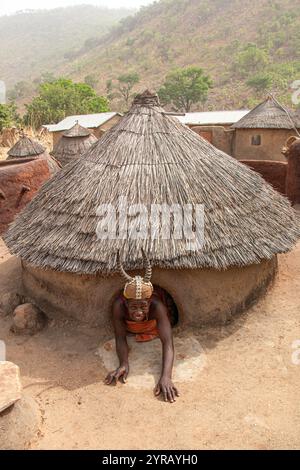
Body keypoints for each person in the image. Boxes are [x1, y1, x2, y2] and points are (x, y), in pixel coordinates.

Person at [105, 251, 179, 403]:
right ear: (125, 303)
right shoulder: (119, 306)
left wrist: (166, 377)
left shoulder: (157, 307)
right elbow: (120, 337)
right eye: (133, 307)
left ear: (150, 302)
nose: (138, 312)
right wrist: (123, 363)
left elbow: (167, 342)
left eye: (143, 306)